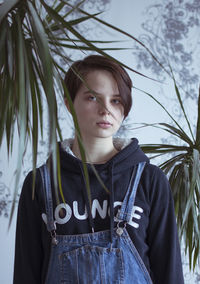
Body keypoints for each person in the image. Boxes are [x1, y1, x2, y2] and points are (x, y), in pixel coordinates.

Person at [13, 55, 184, 284]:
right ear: (69, 103)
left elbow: (169, 274)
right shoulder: (39, 184)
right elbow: (26, 274)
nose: (105, 110)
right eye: (92, 97)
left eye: (115, 100)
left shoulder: (150, 180)